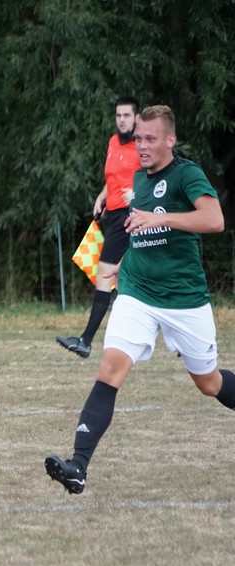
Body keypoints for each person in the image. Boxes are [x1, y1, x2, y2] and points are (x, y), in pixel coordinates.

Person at [46, 105, 231, 494]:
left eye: (150, 139)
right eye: (138, 139)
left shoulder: (186, 174)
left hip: (184, 299)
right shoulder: (137, 179)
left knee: (209, 383)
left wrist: (160, 218)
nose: (141, 145)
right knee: (109, 369)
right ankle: (77, 466)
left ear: (170, 140)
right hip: (137, 293)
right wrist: (119, 263)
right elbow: (140, 231)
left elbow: (215, 220)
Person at [57, 96, 141, 358]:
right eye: (118, 115)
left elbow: (157, 177)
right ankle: (180, 339)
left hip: (130, 216)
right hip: (113, 215)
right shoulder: (113, 142)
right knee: (133, 278)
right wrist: (102, 197)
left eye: (127, 115)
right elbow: (113, 177)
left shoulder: (143, 145)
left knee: (105, 275)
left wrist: (137, 195)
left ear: (137, 118)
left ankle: (85, 340)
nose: (122, 120)